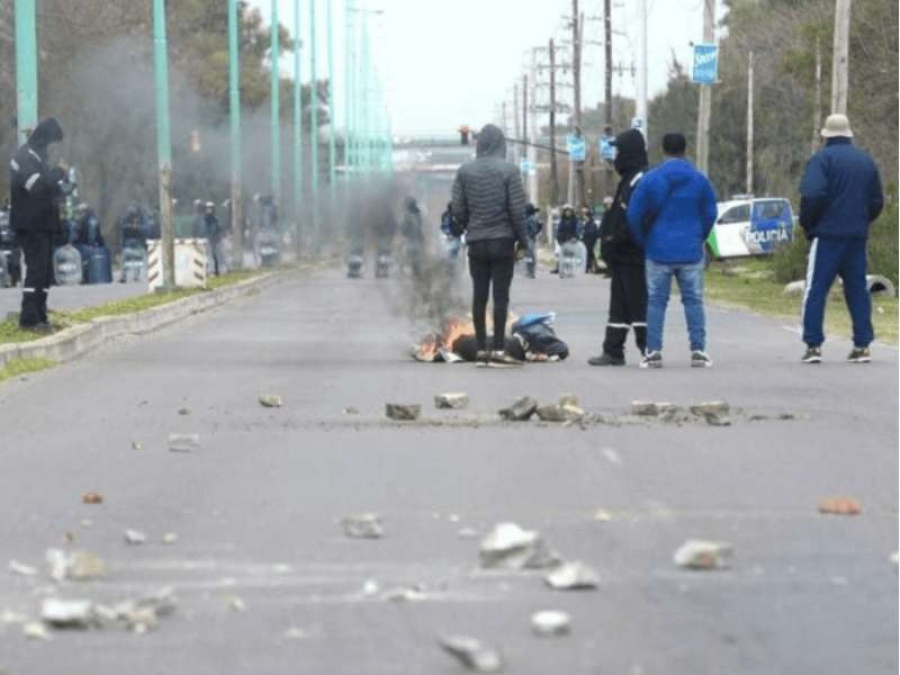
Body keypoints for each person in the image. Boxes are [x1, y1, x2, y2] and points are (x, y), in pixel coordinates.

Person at [626, 132, 717, 369]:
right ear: (685, 150)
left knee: (656, 301)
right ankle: (698, 350)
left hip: (657, 249)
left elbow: (634, 214)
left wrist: (643, 240)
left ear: (663, 150)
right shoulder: (699, 180)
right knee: (694, 300)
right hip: (690, 250)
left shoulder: (650, 179)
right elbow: (710, 213)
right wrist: (700, 236)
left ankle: (653, 351)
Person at [798, 113, 883, 364]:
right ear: (849, 134)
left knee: (816, 290)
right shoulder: (866, 161)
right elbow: (877, 200)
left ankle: (813, 345)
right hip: (857, 236)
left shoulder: (821, 160)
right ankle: (862, 345)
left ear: (826, 136)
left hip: (827, 235)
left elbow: (813, 195)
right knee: (857, 290)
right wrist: (862, 221)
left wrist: (809, 225)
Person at [451, 123, 529, 366]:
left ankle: (481, 350)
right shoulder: (510, 171)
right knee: (500, 297)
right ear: (501, 144)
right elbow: (517, 210)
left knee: (479, 297)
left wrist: (469, 226)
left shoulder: (465, 171)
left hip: (477, 242)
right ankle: (497, 350)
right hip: (503, 241)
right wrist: (523, 240)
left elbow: (457, 207)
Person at [589, 128, 649, 366]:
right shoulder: (629, 178)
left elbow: (635, 218)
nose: (616, 157)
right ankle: (613, 349)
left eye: (619, 151)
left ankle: (649, 348)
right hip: (621, 256)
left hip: (634, 253)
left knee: (638, 303)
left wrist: (616, 240)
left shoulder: (640, 180)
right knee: (619, 305)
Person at [10, 117, 66, 331]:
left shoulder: (38, 159)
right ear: (44, 140)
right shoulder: (22, 158)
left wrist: (62, 187)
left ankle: (41, 317)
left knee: (44, 273)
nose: (52, 150)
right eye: (52, 144)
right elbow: (37, 186)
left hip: (44, 224)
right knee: (35, 271)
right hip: (31, 225)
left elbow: (50, 189)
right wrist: (58, 173)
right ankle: (29, 319)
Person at [400, 195, 425, 277]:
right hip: (417, 239)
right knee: (415, 257)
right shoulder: (418, 214)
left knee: (409, 256)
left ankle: (412, 272)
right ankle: (416, 272)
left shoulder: (407, 215)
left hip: (411, 239)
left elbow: (403, 228)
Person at [202, 201, 223, 276]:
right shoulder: (204, 219)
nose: (209, 210)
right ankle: (206, 271)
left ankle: (216, 271)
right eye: (207, 208)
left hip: (214, 240)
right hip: (205, 239)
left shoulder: (216, 220)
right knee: (205, 256)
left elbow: (219, 229)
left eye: (210, 208)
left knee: (214, 255)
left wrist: (217, 237)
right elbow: (202, 229)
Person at [524, 202, 541, 278]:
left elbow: (534, 230)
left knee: (530, 255)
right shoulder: (528, 217)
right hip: (528, 238)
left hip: (529, 238)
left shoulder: (531, 218)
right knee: (528, 255)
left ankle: (531, 272)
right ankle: (529, 271)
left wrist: (530, 235)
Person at [580, 205, 599, 273]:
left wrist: (585, 233)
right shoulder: (586, 224)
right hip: (586, 242)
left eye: (586, 216)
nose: (584, 218)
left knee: (589, 254)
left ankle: (589, 267)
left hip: (590, 242)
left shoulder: (592, 224)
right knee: (589, 255)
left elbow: (593, 233)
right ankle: (590, 267)